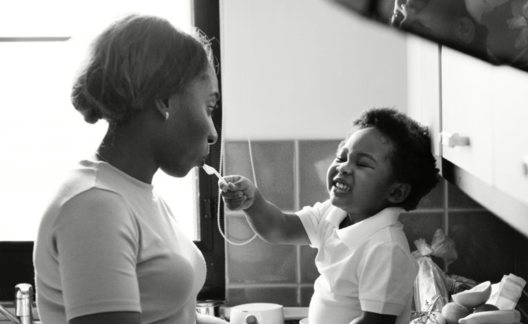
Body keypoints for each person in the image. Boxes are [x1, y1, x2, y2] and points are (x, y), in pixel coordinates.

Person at [33, 14, 228, 324]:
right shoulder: (94, 206)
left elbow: (176, 315)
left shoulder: (136, 192)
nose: (213, 133)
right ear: (164, 100)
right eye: (209, 107)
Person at [220, 108, 440, 324]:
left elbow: (376, 321)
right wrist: (253, 201)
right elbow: (281, 228)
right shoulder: (332, 213)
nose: (343, 168)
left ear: (395, 192)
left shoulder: (385, 249)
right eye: (341, 157)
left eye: (362, 163)